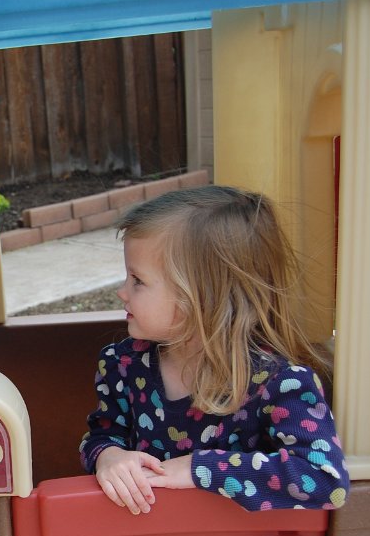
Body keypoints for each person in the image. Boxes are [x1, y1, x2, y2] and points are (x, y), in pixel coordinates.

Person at [80, 185, 349, 514]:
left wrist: (199, 468)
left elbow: (325, 480)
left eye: (137, 280)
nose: (122, 292)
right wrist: (109, 457)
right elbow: (102, 436)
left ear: (201, 297)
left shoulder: (279, 383)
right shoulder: (123, 365)